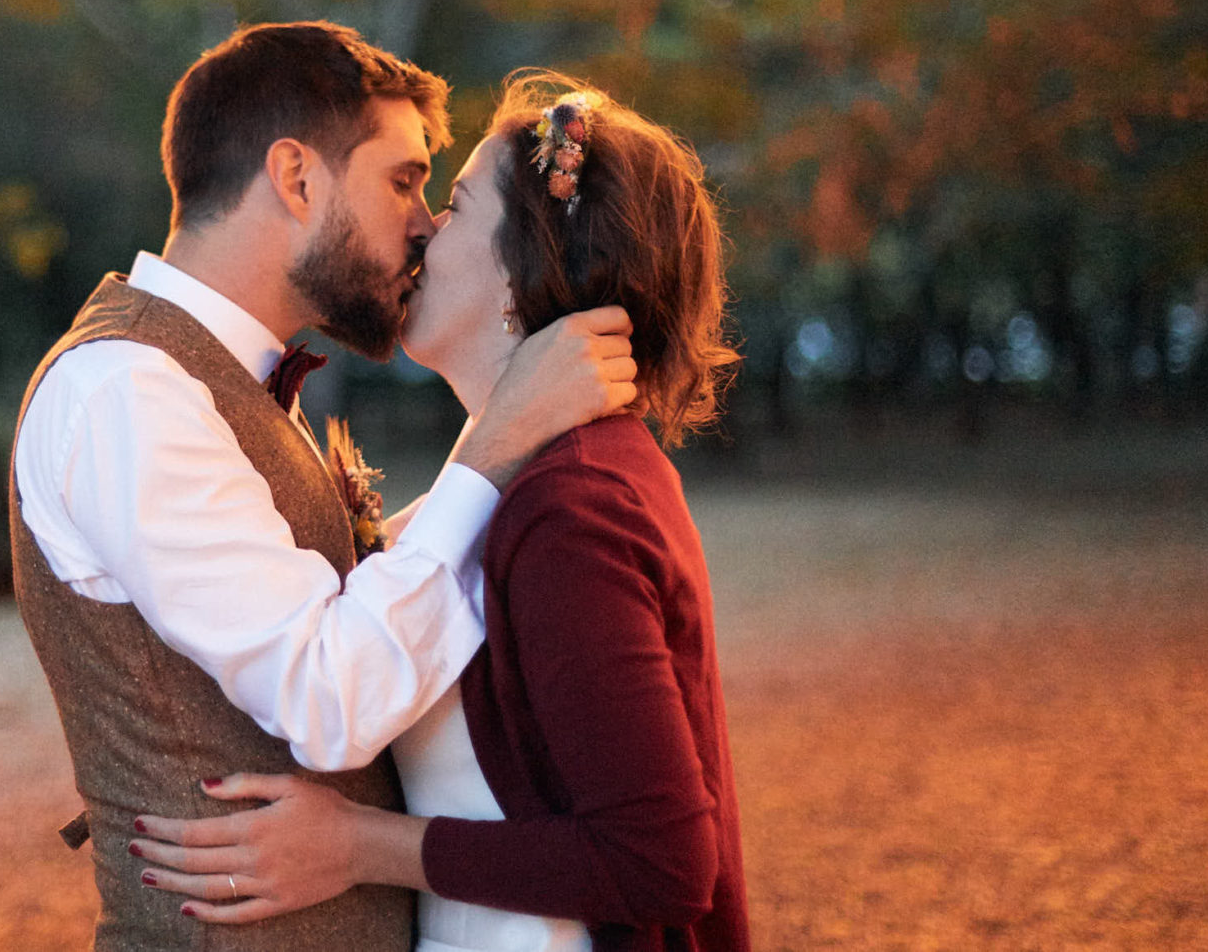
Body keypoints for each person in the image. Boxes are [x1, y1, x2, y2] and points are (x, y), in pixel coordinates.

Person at [10, 28, 641, 952]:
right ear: (297, 179)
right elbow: (329, 699)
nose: (426, 223)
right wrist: (501, 436)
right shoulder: (125, 391)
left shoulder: (217, 381)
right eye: (404, 180)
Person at [129, 72, 749, 952]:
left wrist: (358, 848)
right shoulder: (517, 482)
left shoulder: (574, 506)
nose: (421, 229)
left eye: (453, 206)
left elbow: (661, 861)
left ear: (520, 269)